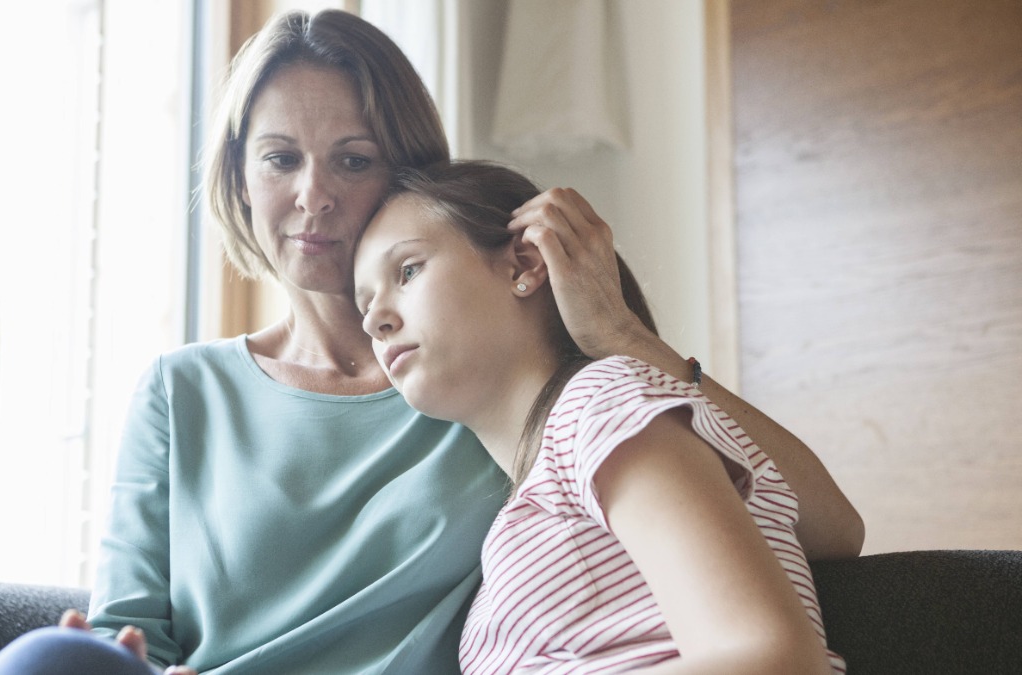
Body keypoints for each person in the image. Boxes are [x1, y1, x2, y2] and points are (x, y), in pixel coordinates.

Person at [0, 7, 861, 675]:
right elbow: (133, 629)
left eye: (353, 158)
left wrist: (626, 334)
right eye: (279, 158)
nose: (313, 197)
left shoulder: (480, 384)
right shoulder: (183, 392)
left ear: (408, 173)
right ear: (239, 177)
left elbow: (811, 525)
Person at [352, 159, 848, 673]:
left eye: (407, 271)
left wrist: (623, 336)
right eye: (364, 304)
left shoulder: (600, 406)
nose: (375, 319)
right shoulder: (560, 469)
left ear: (522, 264)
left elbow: (776, 659)